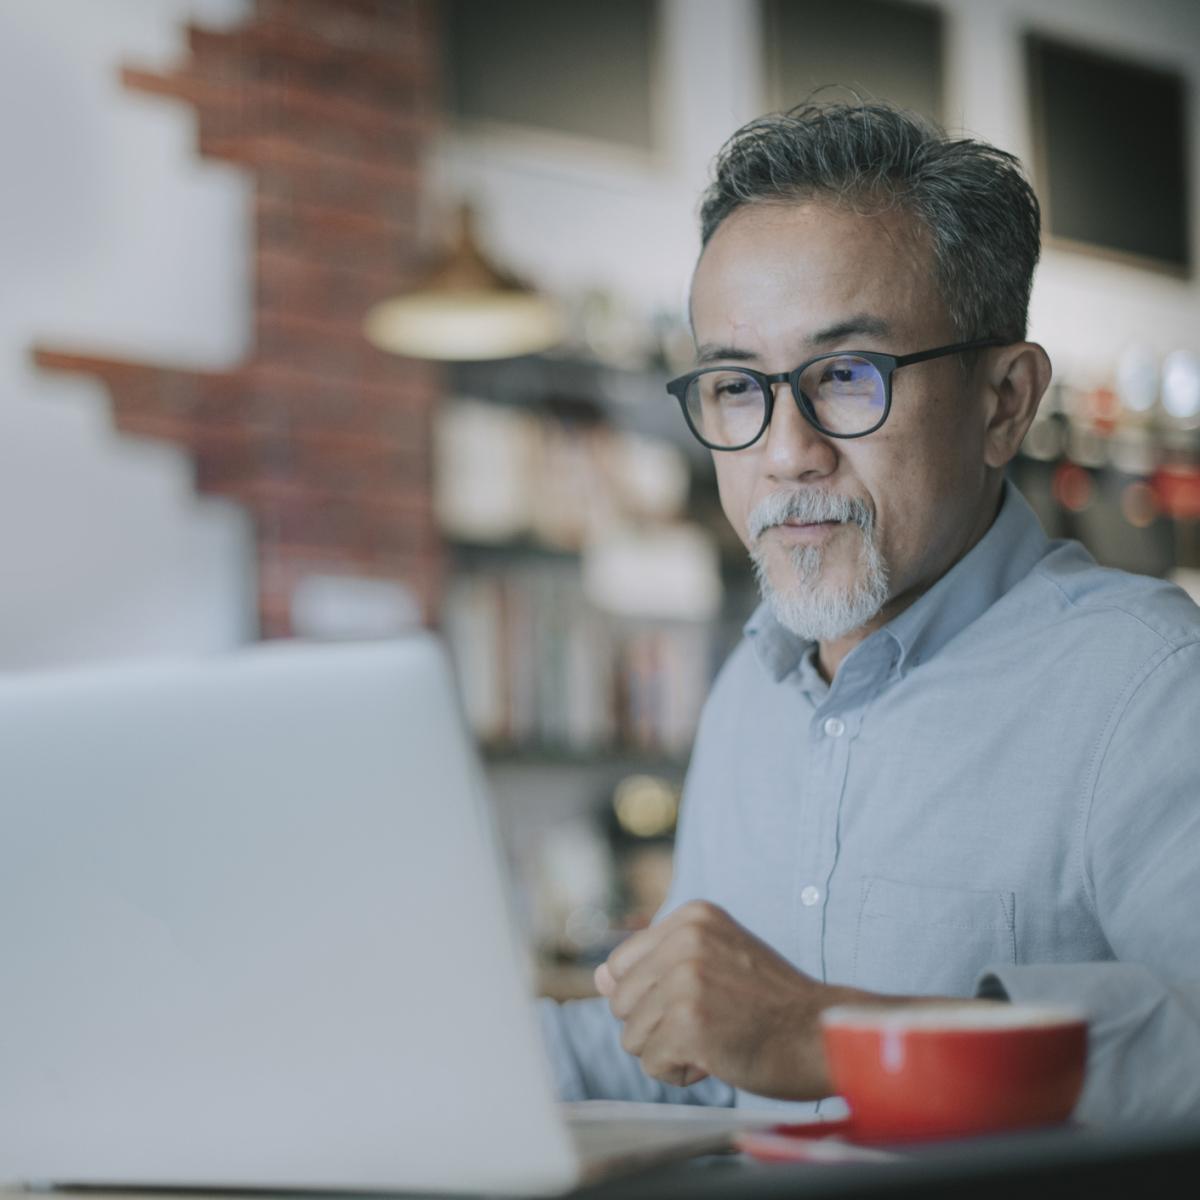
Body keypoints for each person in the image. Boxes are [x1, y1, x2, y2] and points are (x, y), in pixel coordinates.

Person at [537, 100, 1200, 1124]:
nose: (784, 451)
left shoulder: (1149, 686)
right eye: (734, 385)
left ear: (1004, 403)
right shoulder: (747, 698)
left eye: (847, 375)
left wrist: (830, 1038)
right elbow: (700, 1056)